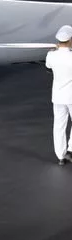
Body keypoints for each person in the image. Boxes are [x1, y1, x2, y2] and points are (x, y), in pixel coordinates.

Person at [46, 25, 72, 165]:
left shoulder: (51, 55)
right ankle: (71, 150)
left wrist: (55, 51)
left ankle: (60, 156)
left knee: (59, 125)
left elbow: (48, 66)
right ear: (70, 40)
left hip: (58, 96)